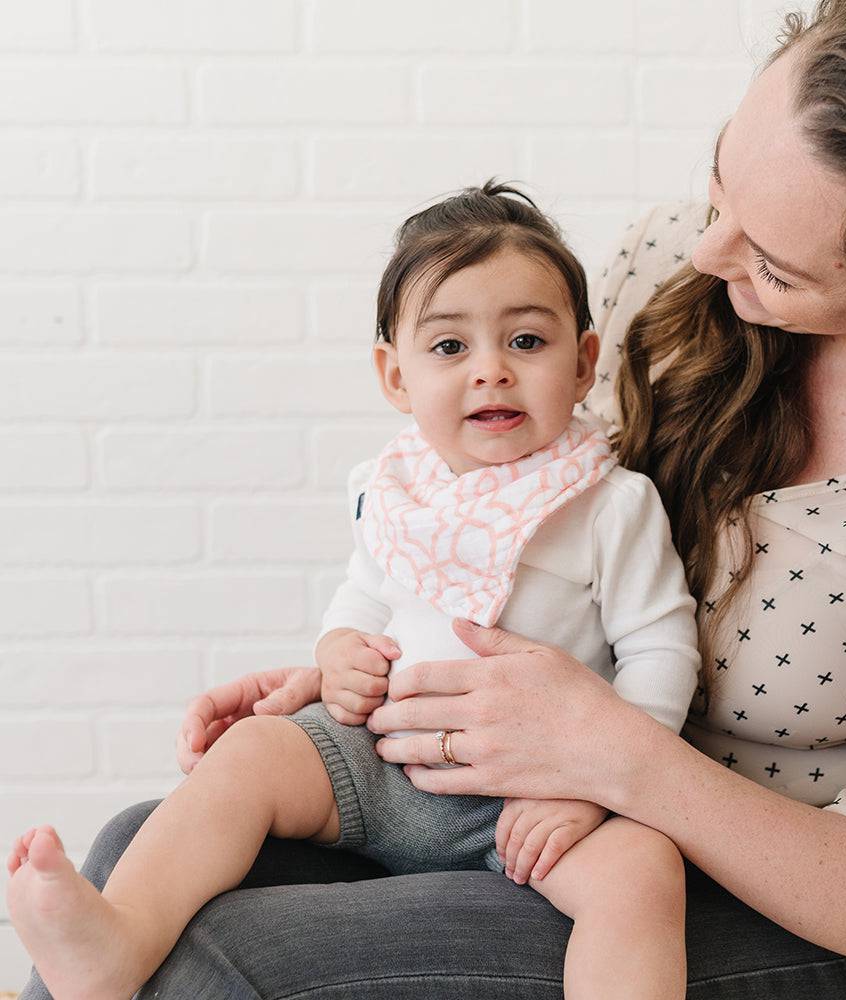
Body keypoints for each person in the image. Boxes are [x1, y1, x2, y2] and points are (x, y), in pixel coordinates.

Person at [16, 0, 846, 998]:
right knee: (133, 843)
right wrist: (350, 667)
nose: (708, 253)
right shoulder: (674, 262)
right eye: (719, 179)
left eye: (774, 265)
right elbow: (477, 527)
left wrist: (609, 763)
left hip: (784, 898)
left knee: (214, 971)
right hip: (487, 769)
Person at [7, 182, 704, 1000]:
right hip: (383, 761)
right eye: (449, 348)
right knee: (251, 754)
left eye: (525, 340)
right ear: (395, 377)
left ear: (584, 363)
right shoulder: (390, 488)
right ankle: (114, 943)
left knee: (643, 872)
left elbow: (660, 650)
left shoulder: (609, 504)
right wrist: (339, 651)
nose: (490, 371)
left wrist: (595, 787)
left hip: (532, 797)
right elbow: (365, 600)